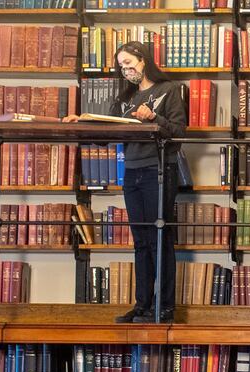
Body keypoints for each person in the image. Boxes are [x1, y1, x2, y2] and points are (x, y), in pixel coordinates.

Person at [64, 41, 186, 324]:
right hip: (132, 172)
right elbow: (106, 134)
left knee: (160, 239)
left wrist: (154, 117)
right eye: (121, 66)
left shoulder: (169, 90)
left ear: (143, 61)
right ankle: (142, 305)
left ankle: (165, 307)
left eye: (129, 63)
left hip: (159, 170)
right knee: (141, 241)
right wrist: (81, 123)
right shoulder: (124, 98)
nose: (125, 70)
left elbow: (179, 131)